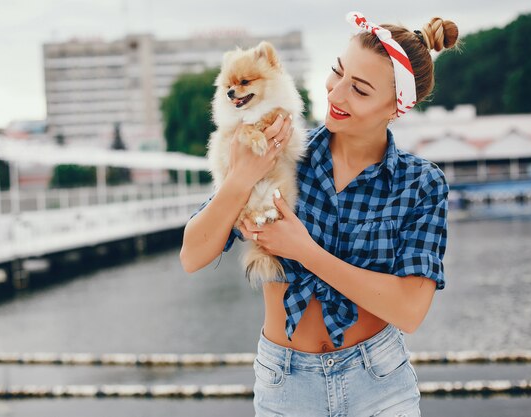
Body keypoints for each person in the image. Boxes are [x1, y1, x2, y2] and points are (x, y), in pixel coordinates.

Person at [181, 10, 460, 417]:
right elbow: (193, 255)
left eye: (360, 90)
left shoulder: (420, 183)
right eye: (337, 72)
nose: (335, 93)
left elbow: (408, 310)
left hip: (379, 384)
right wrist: (242, 177)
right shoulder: (283, 149)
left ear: (396, 108)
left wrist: (304, 250)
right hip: (286, 383)